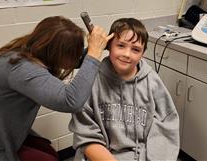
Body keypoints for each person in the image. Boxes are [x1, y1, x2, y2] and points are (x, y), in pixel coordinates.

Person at [0, 16, 114, 161]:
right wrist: (94, 54)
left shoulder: (28, 51)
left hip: (1, 130)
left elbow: (71, 60)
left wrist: (96, 47)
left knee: (47, 151)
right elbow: (71, 101)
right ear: (55, 52)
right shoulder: (22, 68)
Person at [69, 18, 180, 161]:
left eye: (135, 49)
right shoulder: (91, 80)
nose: (127, 54)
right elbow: (85, 135)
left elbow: (166, 129)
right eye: (121, 45)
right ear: (108, 46)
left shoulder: (152, 82)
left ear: (143, 53)